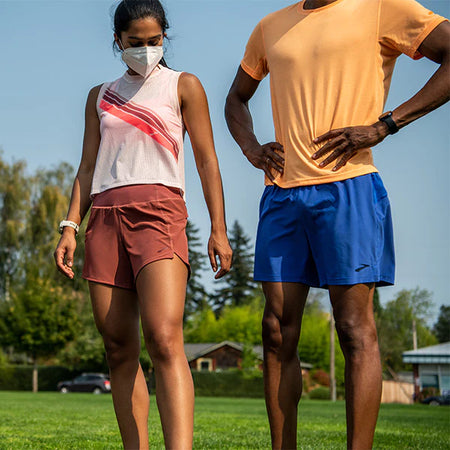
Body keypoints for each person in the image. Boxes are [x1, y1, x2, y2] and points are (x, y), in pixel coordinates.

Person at [225, 0, 449, 448]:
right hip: (283, 193)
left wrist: (387, 124)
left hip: (348, 188)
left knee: (352, 329)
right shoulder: (270, 26)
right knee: (275, 330)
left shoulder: (382, 7)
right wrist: (252, 149)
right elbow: (236, 99)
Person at [54, 1, 232, 448]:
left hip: (160, 214)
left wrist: (218, 228)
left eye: (155, 42)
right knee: (118, 347)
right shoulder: (100, 95)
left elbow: (207, 161)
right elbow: (87, 165)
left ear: (164, 38)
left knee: (165, 337)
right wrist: (70, 226)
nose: (146, 50)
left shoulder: (183, 85)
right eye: (136, 43)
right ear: (118, 41)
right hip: (105, 221)